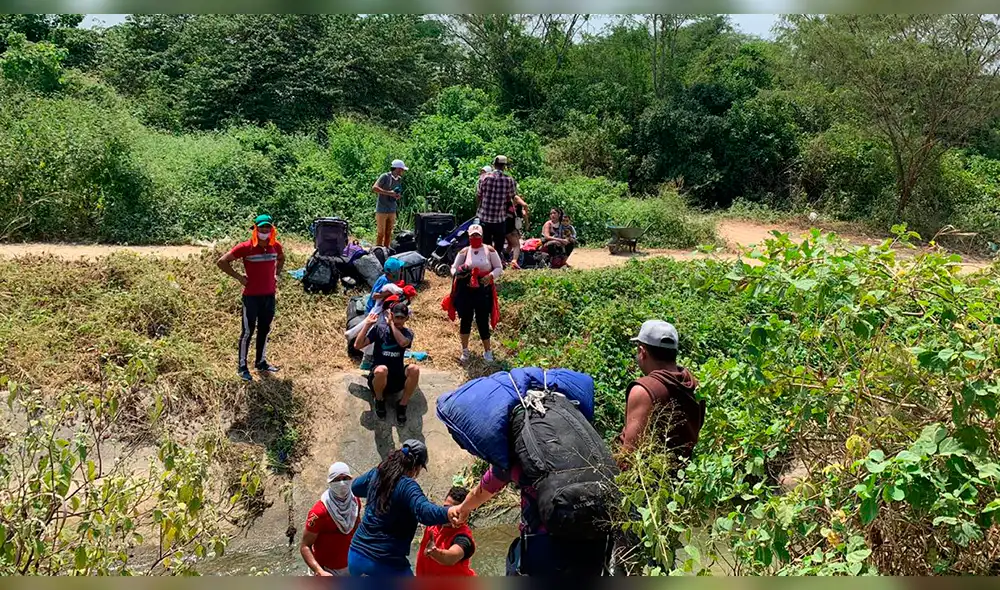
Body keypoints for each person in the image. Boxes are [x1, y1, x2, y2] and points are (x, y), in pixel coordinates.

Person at [453, 439, 610, 577]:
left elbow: (481, 492)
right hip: (594, 537)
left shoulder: (514, 455)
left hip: (543, 544)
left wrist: (463, 509)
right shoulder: (581, 440)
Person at [348, 440, 460, 577]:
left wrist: (381, 490)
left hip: (356, 556)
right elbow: (424, 512)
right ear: (416, 467)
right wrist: (448, 512)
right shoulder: (407, 486)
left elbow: (355, 488)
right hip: (384, 563)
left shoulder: (377, 474)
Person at [619, 320, 705, 460]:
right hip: (683, 475)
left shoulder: (643, 390)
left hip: (649, 476)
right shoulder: (694, 385)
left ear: (642, 352)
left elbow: (630, 453)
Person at [217, 214, 285, 381]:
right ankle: (242, 366)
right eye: (261, 227)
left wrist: (277, 274)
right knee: (248, 332)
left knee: (265, 329)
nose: (264, 230)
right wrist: (239, 277)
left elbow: (282, 258)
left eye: (267, 227)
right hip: (251, 297)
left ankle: (260, 362)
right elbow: (222, 262)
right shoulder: (245, 247)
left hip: (269, 295)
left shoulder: (275, 246)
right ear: (255, 229)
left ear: (272, 229)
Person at [353, 302, 419, 425]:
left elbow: (403, 343)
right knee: (381, 370)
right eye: (396, 317)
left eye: (401, 318)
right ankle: (379, 400)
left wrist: (391, 324)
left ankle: (402, 404)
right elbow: (357, 345)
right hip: (378, 377)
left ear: (406, 318)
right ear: (391, 315)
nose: (398, 320)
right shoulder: (379, 329)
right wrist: (367, 325)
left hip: (396, 379)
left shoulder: (407, 333)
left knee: (414, 369)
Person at [447, 224, 502, 364]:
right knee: (465, 319)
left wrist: (490, 276)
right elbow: (453, 267)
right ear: (469, 236)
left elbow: (499, 268)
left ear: (482, 236)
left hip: (483, 289)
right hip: (466, 289)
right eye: (472, 235)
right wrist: (457, 274)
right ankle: (465, 351)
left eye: (477, 235)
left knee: (482, 319)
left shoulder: (489, 250)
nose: (475, 238)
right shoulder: (464, 252)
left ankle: (487, 351)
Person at [301, 462, 362, 576]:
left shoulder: (355, 502)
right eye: (337, 479)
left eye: (345, 478)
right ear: (330, 482)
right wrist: (319, 571)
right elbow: (305, 546)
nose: (342, 483)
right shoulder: (319, 512)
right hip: (328, 571)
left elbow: (358, 529)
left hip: (352, 566)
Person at [415, 486, 477, 577]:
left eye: (456, 511)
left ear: (464, 515)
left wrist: (434, 552)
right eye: (446, 508)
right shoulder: (433, 523)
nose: (449, 513)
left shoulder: (463, 537)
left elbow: (451, 558)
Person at [359, 258, 406, 371]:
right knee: (373, 336)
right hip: (373, 312)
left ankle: (377, 358)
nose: (401, 271)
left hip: (382, 311)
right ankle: (367, 361)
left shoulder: (392, 282)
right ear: (394, 272)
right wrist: (387, 292)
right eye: (399, 270)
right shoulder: (383, 280)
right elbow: (375, 295)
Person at [476, 155, 517, 253]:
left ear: (494, 164)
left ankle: (486, 264)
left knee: (486, 245)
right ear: (504, 166)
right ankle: (497, 262)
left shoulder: (483, 177)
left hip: (484, 217)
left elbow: (479, 195)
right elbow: (510, 197)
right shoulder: (509, 180)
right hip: (500, 219)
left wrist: (478, 209)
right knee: (498, 246)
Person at [372, 159, 408, 248]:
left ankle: (386, 250)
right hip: (382, 209)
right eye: (402, 169)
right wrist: (389, 193)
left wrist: (397, 195)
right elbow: (374, 188)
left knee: (389, 233)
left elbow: (396, 192)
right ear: (398, 169)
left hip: (392, 209)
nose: (403, 171)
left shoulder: (399, 179)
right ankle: (378, 251)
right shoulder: (384, 176)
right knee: (381, 233)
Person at [504, 194, 530, 269]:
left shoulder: (518, 208)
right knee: (516, 245)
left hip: (507, 225)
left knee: (510, 245)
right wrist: (527, 224)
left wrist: (526, 222)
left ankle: (504, 257)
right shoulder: (514, 197)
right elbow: (525, 205)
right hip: (508, 226)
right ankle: (514, 261)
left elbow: (524, 214)